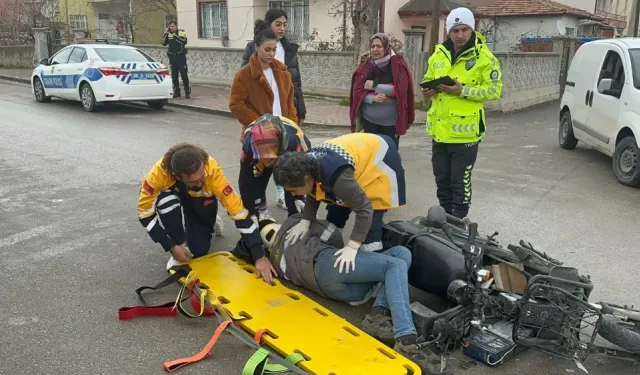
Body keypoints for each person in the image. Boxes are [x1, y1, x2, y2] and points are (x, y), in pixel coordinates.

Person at [250, 215, 450, 375]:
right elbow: (332, 232)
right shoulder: (292, 222)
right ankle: (406, 339)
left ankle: (378, 315)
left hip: (333, 290)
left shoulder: (273, 261)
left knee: (399, 256)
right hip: (327, 263)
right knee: (397, 261)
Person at [137, 142, 277, 283]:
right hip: (174, 195)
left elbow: (239, 213)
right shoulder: (158, 175)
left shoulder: (212, 171)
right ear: (178, 176)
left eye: (201, 177)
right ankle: (180, 245)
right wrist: (170, 246)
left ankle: (209, 219)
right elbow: (144, 215)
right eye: (195, 181)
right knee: (166, 202)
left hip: (201, 199)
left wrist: (259, 255)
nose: (199, 183)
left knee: (199, 250)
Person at [421, 7, 503, 219]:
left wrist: (462, 90)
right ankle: (444, 220)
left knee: (459, 183)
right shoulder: (438, 54)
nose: (459, 35)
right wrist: (427, 92)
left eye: (464, 30)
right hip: (439, 132)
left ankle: (459, 221)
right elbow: (427, 81)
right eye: (455, 30)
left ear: (471, 29)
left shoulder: (484, 57)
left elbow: (495, 90)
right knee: (442, 180)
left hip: (465, 135)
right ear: (448, 31)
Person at [273, 132, 406, 254]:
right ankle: (333, 244)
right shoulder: (306, 167)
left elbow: (365, 209)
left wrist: (353, 245)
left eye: (293, 190)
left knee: (371, 226)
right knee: (337, 209)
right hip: (354, 155)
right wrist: (305, 221)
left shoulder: (338, 178)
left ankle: (377, 261)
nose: (294, 195)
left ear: (307, 180)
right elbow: (314, 192)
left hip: (379, 158)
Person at [240, 9, 307, 212]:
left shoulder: (288, 52)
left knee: (290, 170)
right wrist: (258, 124)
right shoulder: (249, 63)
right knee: (255, 177)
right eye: (278, 24)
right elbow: (238, 100)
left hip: (285, 125)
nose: (282, 28)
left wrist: (295, 119)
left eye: (285, 24)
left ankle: (291, 207)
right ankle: (258, 214)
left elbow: (295, 85)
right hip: (260, 132)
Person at [238, 113, 311, 221]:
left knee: (292, 181)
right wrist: (250, 211)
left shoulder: (294, 142)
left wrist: (298, 197)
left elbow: (305, 174)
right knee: (256, 181)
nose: (267, 162)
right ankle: (261, 210)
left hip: (288, 149)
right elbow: (246, 181)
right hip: (260, 149)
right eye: (263, 157)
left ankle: (294, 217)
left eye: (270, 158)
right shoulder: (248, 146)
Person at [350, 33, 415, 149]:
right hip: (369, 121)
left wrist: (376, 87)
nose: (375, 49)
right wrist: (371, 98)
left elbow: (402, 90)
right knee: (372, 156)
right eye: (373, 46)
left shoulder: (397, 64)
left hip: (391, 123)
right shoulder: (365, 64)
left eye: (379, 46)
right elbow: (357, 92)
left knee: (389, 156)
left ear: (386, 47)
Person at [161, 20, 190, 99]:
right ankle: (177, 91)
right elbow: (163, 43)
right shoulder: (168, 34)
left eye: (173, 26)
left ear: (176, 26)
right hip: (172, 57)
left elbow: (184, 41)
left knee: (184, 75)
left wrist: (175, 35)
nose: (171, 28)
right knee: (174, 75)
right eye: (170, 26)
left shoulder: (181, 32)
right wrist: (165, 34)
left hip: (181, 56)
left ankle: (187, 91)